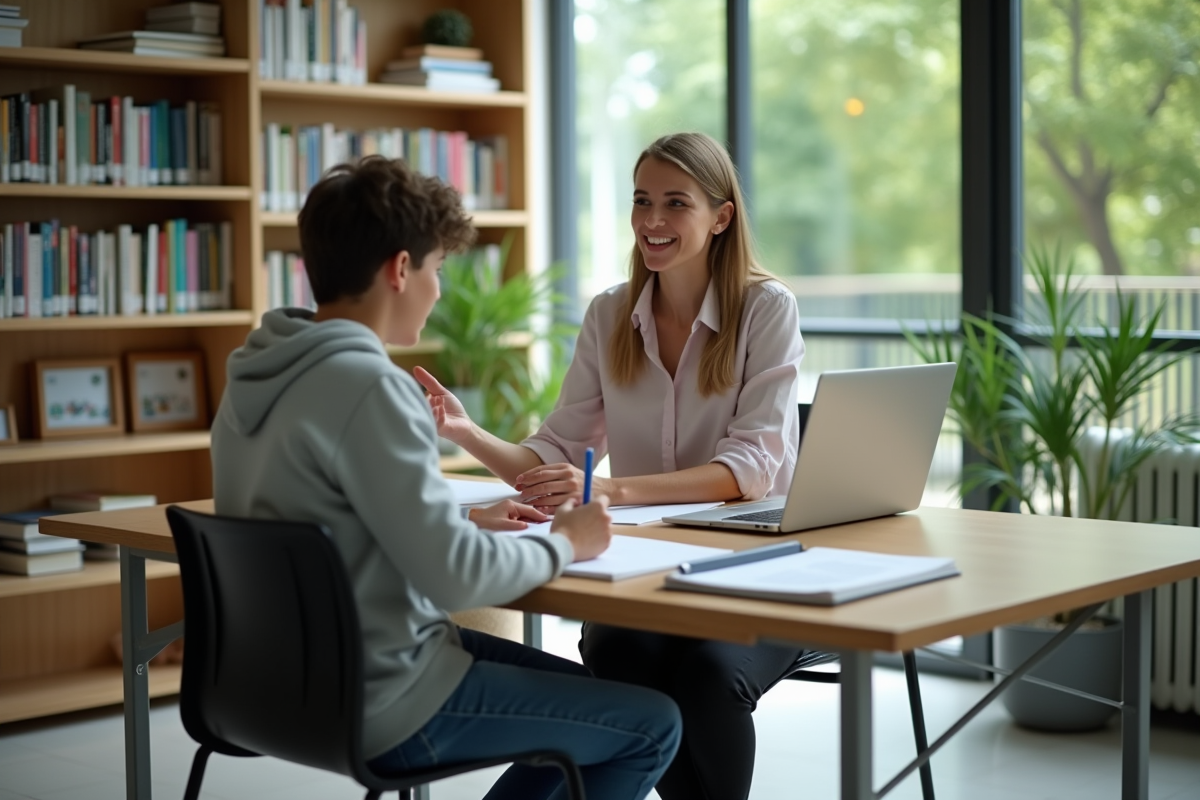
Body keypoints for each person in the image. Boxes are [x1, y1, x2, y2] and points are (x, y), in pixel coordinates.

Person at [210, 155, 682, 800]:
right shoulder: (370, 387)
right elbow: (454, 576)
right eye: (436, 269)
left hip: (266, 686)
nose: (438, 291)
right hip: (381, 697)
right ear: (401, 269)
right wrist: (569, 542)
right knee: (652, 724)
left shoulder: (256, 371)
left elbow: (315, 524)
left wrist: (454, 521)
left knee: (600, 703)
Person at [416, 132, 808, 800]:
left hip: (756, 569)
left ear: (721, 216)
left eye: (675, 203)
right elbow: (554, 454)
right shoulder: (610, 314)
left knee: (710, 674)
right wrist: (466, 430)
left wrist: (609, 490)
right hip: (648, 571)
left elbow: (752, 468)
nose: (652, 221)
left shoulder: (766, 309)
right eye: (642, 201)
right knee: (615, 655)